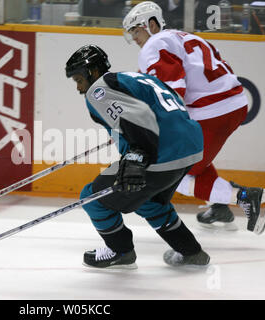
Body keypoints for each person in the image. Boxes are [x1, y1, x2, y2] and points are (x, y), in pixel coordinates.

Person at [122, 1, 265, 233]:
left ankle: (246, 196)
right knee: (192, 158)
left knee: (174, 173)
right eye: (131, 32)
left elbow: (173, 92)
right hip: (226, 105)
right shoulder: (180, 36)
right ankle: (218, 204)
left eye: (136, 30)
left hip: (213, 111)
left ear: (151, 24)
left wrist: (150, 126)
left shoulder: (153, 45)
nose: (134, 37)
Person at [65, 44, 210, 268]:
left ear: (91, 72)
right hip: (189, 147)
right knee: (150, 202)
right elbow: (166, 108)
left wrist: (136, 156)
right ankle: (192, 253)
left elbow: (139, 115)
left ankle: (120, 251)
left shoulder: (99, 90)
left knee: (92, 198)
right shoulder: (132, 78)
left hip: (161, 152)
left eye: (78, 79)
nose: (78, 87)